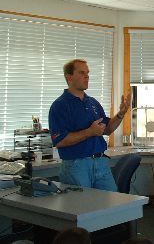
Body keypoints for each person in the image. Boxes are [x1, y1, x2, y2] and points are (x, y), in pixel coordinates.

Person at [49, 59, 131, 191]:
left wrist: (121, 114)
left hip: (100, 162)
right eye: (81, 73)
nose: (87, 76)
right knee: (82, 208)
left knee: (112, 206)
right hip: (76, 166)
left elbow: (107, 129)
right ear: (69, 77)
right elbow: (60, 140)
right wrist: (89, 132)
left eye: (87, 73)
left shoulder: (92, 102)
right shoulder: (60, 105)